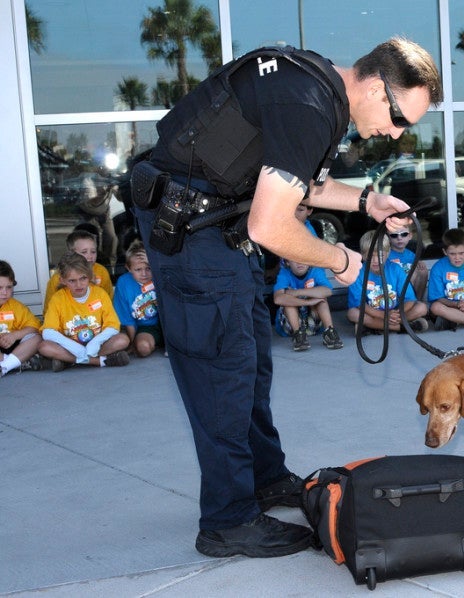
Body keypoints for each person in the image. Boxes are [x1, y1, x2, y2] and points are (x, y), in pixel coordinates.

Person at [130, 38, 442, 558]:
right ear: (373, 86)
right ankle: (227, 521)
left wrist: (368, 201)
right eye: (398, 118)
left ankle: (265, 478)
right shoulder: (309, 104)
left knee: (251, 361)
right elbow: (271, 225)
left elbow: (301, 185)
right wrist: (339, 260)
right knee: (222, 374)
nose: (396, 133)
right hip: (192, 234)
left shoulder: (317, 88)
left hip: (218, 229)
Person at [39, 252, 130, 371]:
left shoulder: (100, 294)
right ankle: (101, 361)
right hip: (70, 347)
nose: (79, 285)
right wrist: (74, 347)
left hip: (98, 344)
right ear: (62, 280)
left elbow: (113, 326)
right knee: (44, 347)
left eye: (83, 278)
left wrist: (96, 342)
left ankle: (69, 361)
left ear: (90, 276)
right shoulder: (58, 299)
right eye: (72, 281)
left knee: (123, 340)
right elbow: (48, 332)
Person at [347, 230, 429, 334]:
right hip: (372, 313)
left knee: (421, 308)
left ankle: (373, 327)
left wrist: (396, 314)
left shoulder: (396, 269)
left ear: (388, 253)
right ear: (363, 255)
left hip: (395, 312)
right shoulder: (357, 273)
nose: (376, 260)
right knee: (353, 314)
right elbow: (359, 304)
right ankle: (401, 328)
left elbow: (409, 299)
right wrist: (384, 315)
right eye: (370, 256)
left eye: (380, 256)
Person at [272, 258, 342, 351]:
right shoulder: (285, 272)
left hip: (313, 324)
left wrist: (297, 292)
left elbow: (327, 291)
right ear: (287, 262)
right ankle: (298, 336)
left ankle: (329, 331)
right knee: (288, 302)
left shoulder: (315, 270)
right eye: (294, 259)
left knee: (321, 299)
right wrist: (307, 302)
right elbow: (278, 298)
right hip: (290, 326)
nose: (299, 262)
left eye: (303, 258)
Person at [43, 230, 113, 315]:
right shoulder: (57, 278)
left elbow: (109, 301)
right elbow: (48, 310)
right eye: (84, 252)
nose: (90, 256)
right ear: (72, 253)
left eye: (93, 252)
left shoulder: (102, 272)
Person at [112, 241, 162, 357]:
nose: (144, 274)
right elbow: (127, 318)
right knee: (143, 348)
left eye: (148, 268)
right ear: (128, 268)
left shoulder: (160, 275)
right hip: (145, 327)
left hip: (168, 324)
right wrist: (133, 342)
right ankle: (157, 343)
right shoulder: (124, 282)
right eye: (138, 269)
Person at [0, 260, 43, 376]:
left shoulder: (16, 306)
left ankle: (5, 366)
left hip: (14, 345)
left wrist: (14, 335)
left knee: (37, 338)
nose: (4, 292)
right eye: (0, 287)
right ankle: (17, 362)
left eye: (9, 287)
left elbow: (35, 327)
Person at [387, 224, 428, 301]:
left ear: (410, 236)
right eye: (394, 235)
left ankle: (417, 300)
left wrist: (419, 264)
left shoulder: (411, 255)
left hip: (409, 288)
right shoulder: (386, 254)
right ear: (388, 238)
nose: (399, 238)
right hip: (392, 288)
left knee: (422, 271)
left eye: (404, 234)